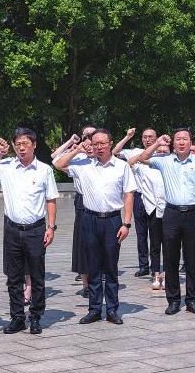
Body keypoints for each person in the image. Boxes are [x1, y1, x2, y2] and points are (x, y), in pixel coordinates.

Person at [0, 128, 58, 335]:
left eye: (25, 143)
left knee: (37, 276)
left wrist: (51, 227)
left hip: (36, 229)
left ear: (34, 145)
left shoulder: (44, 170)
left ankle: (36, 316)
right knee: (13, 277)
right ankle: (17, 317)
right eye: (18, 144)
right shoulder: (6, 166)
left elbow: (51, 199)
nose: (22, 148)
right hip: (12, 229)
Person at [56, 129, 136, 324]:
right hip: (89, 219)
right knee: (92, 267)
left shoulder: (122, 166)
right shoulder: (84, 165)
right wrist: (77, 150)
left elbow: (129, 195)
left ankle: (112, 309)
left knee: (111, 267)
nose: (99, 147)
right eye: (95, 143)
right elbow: (58, 164)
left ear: (110, 144)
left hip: (112, 221)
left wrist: (126, 223)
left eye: (102, 143)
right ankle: (94, 309)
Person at [135, 129, 195, 315]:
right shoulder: (164, 160)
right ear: (173, 143)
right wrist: (157, 142)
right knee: (170, 258)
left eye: (185, 139)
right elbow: (142, 157)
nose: (181, 142)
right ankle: (173, 300)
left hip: (193, 213)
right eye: (178, 139)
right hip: (171, 213)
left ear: (190, 142)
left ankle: (192, 300)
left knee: (192, 259)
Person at [54, 127, 95, 296]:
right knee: (83, 243)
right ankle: (86, 283)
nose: (91, 146)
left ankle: (99, 278)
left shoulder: (106, 160)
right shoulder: (78, 159)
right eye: (87, 142)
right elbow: (56, 161)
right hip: (83, 202)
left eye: (94, 143)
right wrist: (74, 147)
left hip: (102, 204)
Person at [113, 127, 159, 277]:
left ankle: (156, 265)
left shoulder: (161, 153)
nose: (148, 139)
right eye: (145, 137)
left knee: (155, 234)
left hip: (156, 198)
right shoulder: (135, 152)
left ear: (156, 138)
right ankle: (143, 265)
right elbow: (114, 152)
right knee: (141, 233)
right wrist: (127, 137)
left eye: (151, 137)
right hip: (139, 197)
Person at [128, 141, 169, 290]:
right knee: (155, 244)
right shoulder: (145, 167)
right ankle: (156, 273)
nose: (162, 154)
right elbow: (130, 163)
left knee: (170, 244)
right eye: (159, 151)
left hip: (170, 210)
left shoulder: (172, 167)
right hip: (153, 210)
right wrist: (155, 145)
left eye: (165, 151)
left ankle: (168, 274)